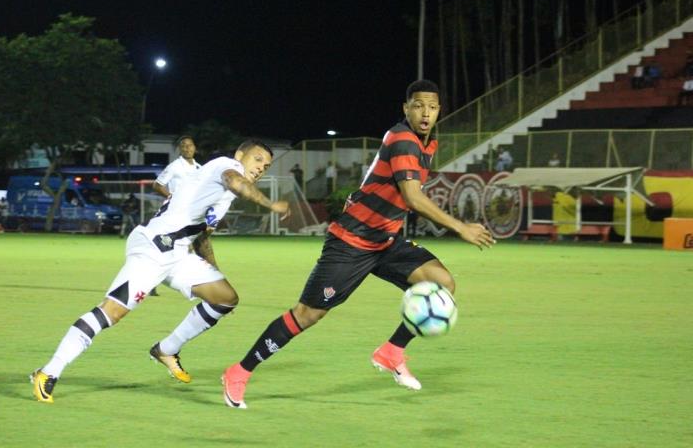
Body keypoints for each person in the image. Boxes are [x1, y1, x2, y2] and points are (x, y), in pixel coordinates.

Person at [221, 80, 495, 409]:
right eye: (418, 105)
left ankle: (392, 351)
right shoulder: (402, 139)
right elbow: (412, 197)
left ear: (439, 111)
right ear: (405, 108)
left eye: (432, 107)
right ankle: (239, 371)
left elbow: (401, 197)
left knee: (443, 282)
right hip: (351, 241)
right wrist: (460, 227)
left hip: (386, 240)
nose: (425, 113)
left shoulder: (429, 142)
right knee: (307, 315)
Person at [30, 139, 290, 403]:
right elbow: (237, 181)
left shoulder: (222, 194)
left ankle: (166, 350)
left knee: (225, 297)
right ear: (240, 155)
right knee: (112, 311)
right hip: (154, 247)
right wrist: (270, 205)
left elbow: (201, 238)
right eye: (257, 160)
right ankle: (48, 372)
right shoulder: (226, 166)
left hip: (177, 253)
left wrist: (214, 272)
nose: (261, 168)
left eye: (266, 166)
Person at [150, 135, 201, 295]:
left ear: (195, 148)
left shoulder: (199, 168)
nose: (187, 148)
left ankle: (190, 284)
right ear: (180, 149)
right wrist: (172, 197)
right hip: (175, 214)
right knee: (171, 247)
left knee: (186, 248)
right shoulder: (175, 166)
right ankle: (152, 281)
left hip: (192, 214)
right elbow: (157, 185)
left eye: (190, 145)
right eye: (184, 146)